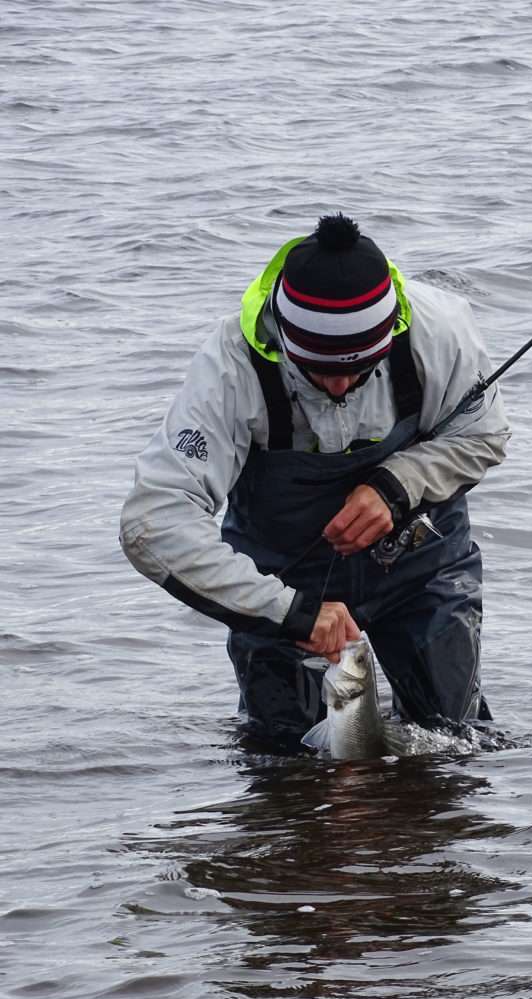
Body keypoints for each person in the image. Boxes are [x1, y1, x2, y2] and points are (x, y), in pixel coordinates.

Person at [120, 213, 510, 750]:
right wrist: (290, 613)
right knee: (283, 765)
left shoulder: (438, 330)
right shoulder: (229, 369)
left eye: (359, 367)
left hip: (421, 571)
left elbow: (483, 434)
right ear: (285, 339)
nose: (339, 383)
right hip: (281, 584)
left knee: (454, 749)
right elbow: (153, 524)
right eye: (317, 368)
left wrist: (398, 485)